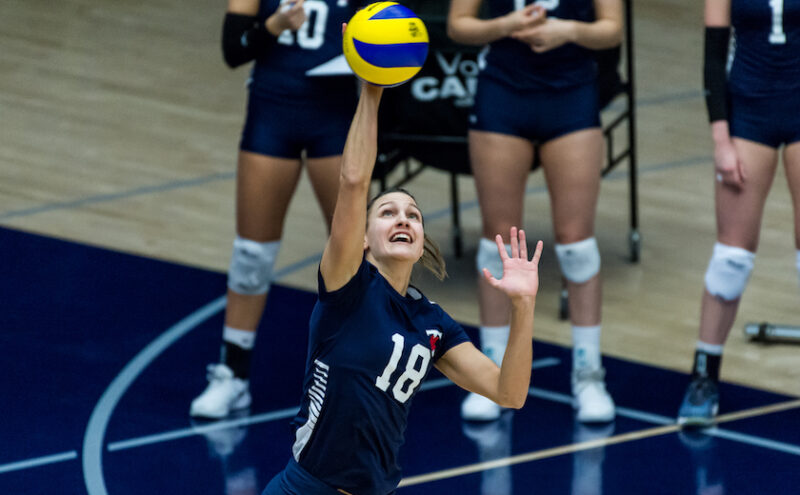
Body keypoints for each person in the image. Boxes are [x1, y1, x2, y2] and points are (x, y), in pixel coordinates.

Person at [263, 82, 544, 495]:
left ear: (421, 240)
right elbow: (355, 181)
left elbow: (510, 392)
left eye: (413, 215)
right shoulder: (348, 286)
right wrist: (372, 92)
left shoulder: (431, 322)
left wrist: (523, 306)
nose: (403, 219)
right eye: (388, 213)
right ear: (363, 238)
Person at [447, 0, 623, 422]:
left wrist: (568, 32)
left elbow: (612, 29)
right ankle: (489, 374)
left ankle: (588, 373)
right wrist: (507, 24)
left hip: (572, 95)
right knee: (498, 245)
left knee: (577, 244)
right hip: (503, 96)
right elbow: (458, 26)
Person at [190, 0, 365, 419]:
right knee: (252, 252)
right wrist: (275, 24)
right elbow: (234, 50)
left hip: (335, 117)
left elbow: (399, 39)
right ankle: (233, 373)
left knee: (353, 254)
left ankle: (360, 376)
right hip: (272, 113)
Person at [677, 0, 800, 426]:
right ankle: (704, 376)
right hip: (749, 112)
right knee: (731, 260)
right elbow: (714, 55)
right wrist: (720, 138)